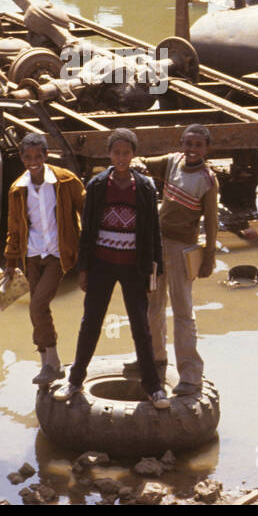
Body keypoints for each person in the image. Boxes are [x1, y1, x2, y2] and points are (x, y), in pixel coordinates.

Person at [52, 128, 169, 409]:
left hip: (134, 267)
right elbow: (87, 228)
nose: (120, 157)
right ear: (109, 154)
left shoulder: (144, 187)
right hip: (102, 264)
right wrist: (84, 268)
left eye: (126, 152)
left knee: (141, 326)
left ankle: (153, 387)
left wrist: (156, 269)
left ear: (133, 155)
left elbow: (153, 231)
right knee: (90, 323)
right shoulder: (96, 185)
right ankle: (75, 379)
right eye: (116, 152)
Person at [135, 124, 218, 396]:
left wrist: (209, 256)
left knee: (183, 313)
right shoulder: (172, 161)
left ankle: (191, 376)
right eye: (188, 143)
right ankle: (155, 359)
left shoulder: (208, 180)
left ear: (206, 149)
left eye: (198, 145)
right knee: (152, 304)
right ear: (182, 144)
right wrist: (137, 163)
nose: (192, 149)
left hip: (182, 248)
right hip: (156, 245)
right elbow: (142, 162)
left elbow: (212, 223)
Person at [3, 133, 86, 385]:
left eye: (38, 156)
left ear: (46, 155)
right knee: (36, 308)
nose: (33, 162)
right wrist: (10, 263)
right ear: (21, 158)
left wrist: (90, 251)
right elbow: (14, 228)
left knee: (38, 305)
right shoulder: (18, 188)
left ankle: (52, 363)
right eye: (28, 157)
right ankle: (49, 364)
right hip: (31, 255)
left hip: (56, 254)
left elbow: (87, 212)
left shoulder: (65, 181)